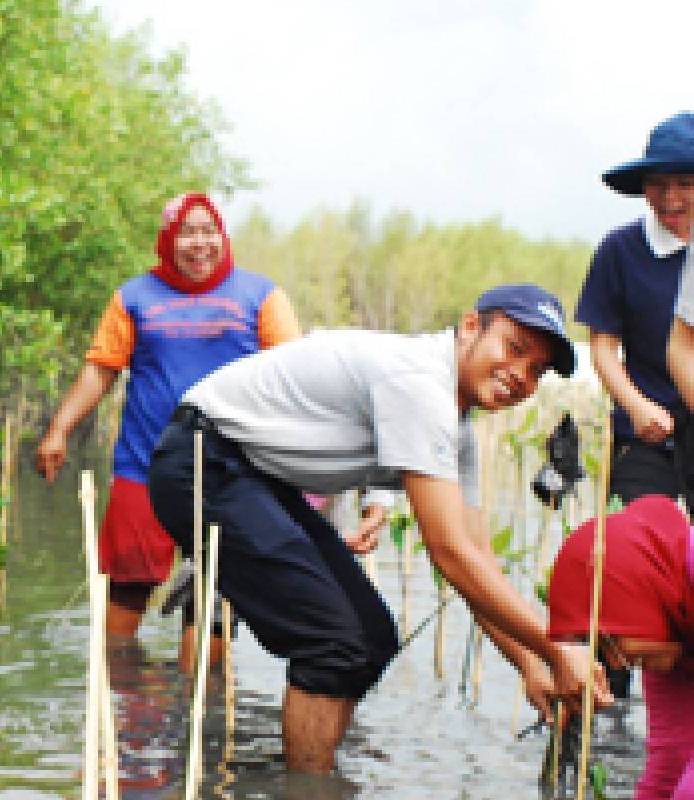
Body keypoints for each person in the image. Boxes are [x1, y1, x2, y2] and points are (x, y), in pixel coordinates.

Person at [147, 283, 612, 772]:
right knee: (331, 642)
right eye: (515, 349)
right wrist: (558, 648)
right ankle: (310, 788)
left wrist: (531, 666)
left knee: (370, 638)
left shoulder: (459, 429)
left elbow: (478, 560)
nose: (520, 375)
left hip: (255, 474)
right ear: (471, 326)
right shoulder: (419, 382)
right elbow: (450, 553)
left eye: (536, 370)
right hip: (202, 459)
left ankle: (315, 772)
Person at [35, 193, 303, 662]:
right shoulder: (133, 297)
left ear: (223, 236)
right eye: (186, 231)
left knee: (216, 585)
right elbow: (101, 369)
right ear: (167, 239)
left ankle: (197, 707)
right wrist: (59, 428)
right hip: (144, 466)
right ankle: (123, 703)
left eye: (208, 230)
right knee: (128, 586)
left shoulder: (261, 296)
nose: (199, 243)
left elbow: (298, 371)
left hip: (229, 473)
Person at [577, 112, 694, 510]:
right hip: (646, 432)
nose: (670, 198)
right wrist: (636, 406)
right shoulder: (620, 249)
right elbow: (603, 347)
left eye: (684, 183)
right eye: (657, 184)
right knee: (639, 549)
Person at [549, 495, 694, 800]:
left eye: (610, 641)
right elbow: (670, 762)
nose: (616, 663)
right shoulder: (666, 627)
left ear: (636, 599)